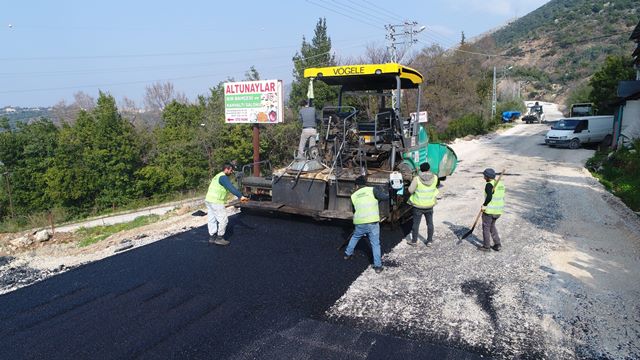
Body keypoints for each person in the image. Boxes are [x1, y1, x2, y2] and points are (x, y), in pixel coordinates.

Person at [343, 176, 389, 274]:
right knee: (375, 243)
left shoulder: (354, 195)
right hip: (372, 222)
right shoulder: (372, 190)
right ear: (365, 183)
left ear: (357, 185)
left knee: (355, 237)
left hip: (359, 222)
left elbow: (354, 210)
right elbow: (385, 197)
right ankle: (377, 266)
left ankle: (347, 254)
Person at [205, 164, 248, 246]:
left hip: (209, 200)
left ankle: (212, 237)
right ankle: (219, 238)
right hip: (216, 202)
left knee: (212, 219)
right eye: (231, 170)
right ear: (227, 169)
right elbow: (231, 188)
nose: (231, 172)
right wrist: (241, 197)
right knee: (223, 220)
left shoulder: (217, 176)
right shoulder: (223, 177)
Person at [407, 162, 439, 246]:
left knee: (416, 224)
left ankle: (414, 241)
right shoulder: (435, 178)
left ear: (421, 169)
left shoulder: (417, 179)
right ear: (429, 169)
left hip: (418, 206)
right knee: (430, 223)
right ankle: (429, 241)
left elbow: (410, 190)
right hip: (429, 205)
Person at [478, 168, 505, 252]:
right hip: (498, 211)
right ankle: (497, 244)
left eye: (484, 176)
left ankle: (486, 247)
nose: (484, 178)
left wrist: (484, 205)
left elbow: (489, 197)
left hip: (490, 211)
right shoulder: (500, 184)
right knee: (492, 226)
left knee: (486, 227)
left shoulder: (489, 185)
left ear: (488, 177)